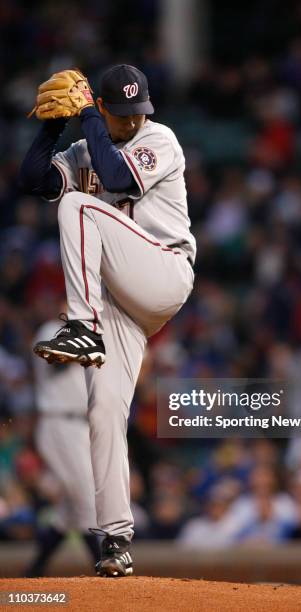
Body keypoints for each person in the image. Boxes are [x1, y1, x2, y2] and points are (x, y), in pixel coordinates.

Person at [19, 64, 196, 576]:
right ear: (102, 108)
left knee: (78, 205)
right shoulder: (86, 147)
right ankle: (115, 539)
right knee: (103, 411)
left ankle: (83, 325)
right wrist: (54, 126)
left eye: (134, 111)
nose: (129, 120)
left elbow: (117, 177)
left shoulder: (160, 138)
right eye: (119, 113)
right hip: (123, 304)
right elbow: (32, 180)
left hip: (163, 270)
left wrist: (91, 117)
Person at [25, 315, 100, 577]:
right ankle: (104, 572)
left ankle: (33, 572)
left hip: (79, 425)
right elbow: (55, 359)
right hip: (59, 422)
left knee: (71, 509)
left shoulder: (91, 330)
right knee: (89, 499)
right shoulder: (51, 327)